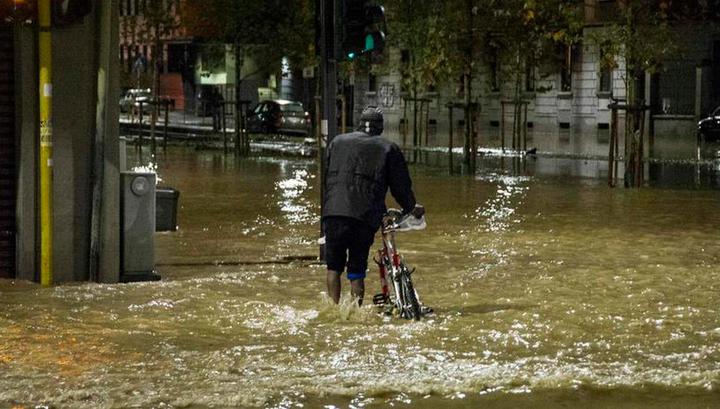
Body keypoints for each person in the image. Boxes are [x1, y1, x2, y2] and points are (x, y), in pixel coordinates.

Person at [322, 105, 424, 305]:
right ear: (380, 128)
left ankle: (334, 312)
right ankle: (354, 312)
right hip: (363, 217)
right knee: (356, 271)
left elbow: (327, 179)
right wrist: (412, 207)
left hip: (333, 212)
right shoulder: (388, 148)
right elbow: (400, 187)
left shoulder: (337, 142)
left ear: (359, 125)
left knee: (333, 268)